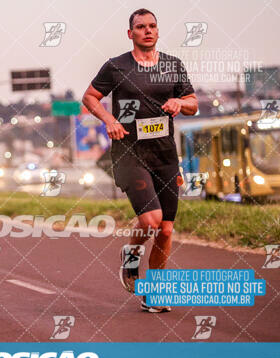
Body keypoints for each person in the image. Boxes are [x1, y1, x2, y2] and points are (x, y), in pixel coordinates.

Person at [82, 9, 198, 312]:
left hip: (164, 154)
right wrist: (108, 119)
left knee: (166, 229)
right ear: (130, 33)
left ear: (157, 32)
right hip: (129, 152)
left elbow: (193, 104)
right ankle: (131, 256)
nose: (147, 31)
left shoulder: (173, 66)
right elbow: (90, 97)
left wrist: (180, 102)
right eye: (140, 27)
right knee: (150, 220)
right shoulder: (116, 67)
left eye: (152, 26)